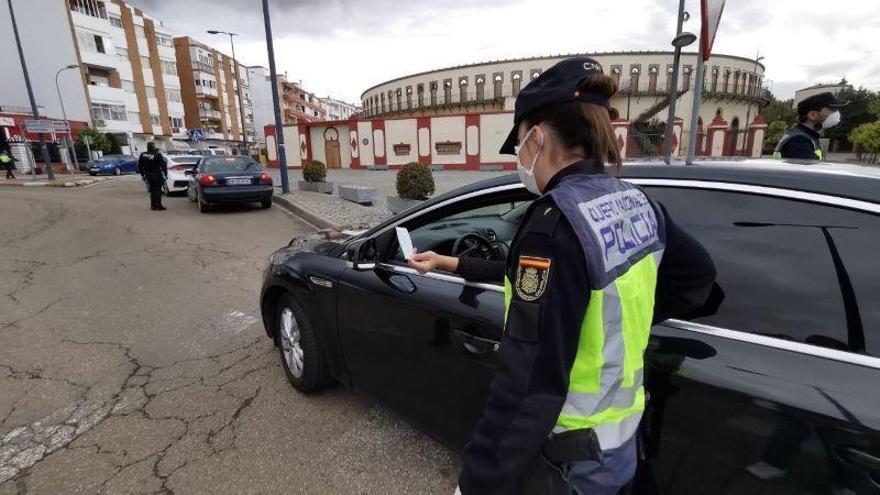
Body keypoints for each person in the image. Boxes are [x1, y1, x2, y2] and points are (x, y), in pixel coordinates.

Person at [408, 57, 718, 495]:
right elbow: (695, 278)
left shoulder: (555, 224)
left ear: (536, 136)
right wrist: (450, 262)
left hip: (570, 458)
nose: (519, 156)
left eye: (518, 142)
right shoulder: (637, 203)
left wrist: (479, 480)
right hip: (623, 443)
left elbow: (528, 379)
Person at [773, 92, 847, 160]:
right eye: (832, 109)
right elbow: (806, 173)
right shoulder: (799, 141)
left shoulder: (807, 137)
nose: (836, 113)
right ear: (812, 115)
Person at [137, 142, 167, 211]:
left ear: (147, 147)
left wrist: (142, 174)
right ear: (154, 147)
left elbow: (140, 165)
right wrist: (165, 173)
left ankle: (153, 206)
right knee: (158, 190)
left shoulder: (143, 155)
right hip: (157, 174)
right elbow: (163, 165)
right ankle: (159, 206)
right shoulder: (157, 154)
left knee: (152, 190)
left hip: (148, 175)